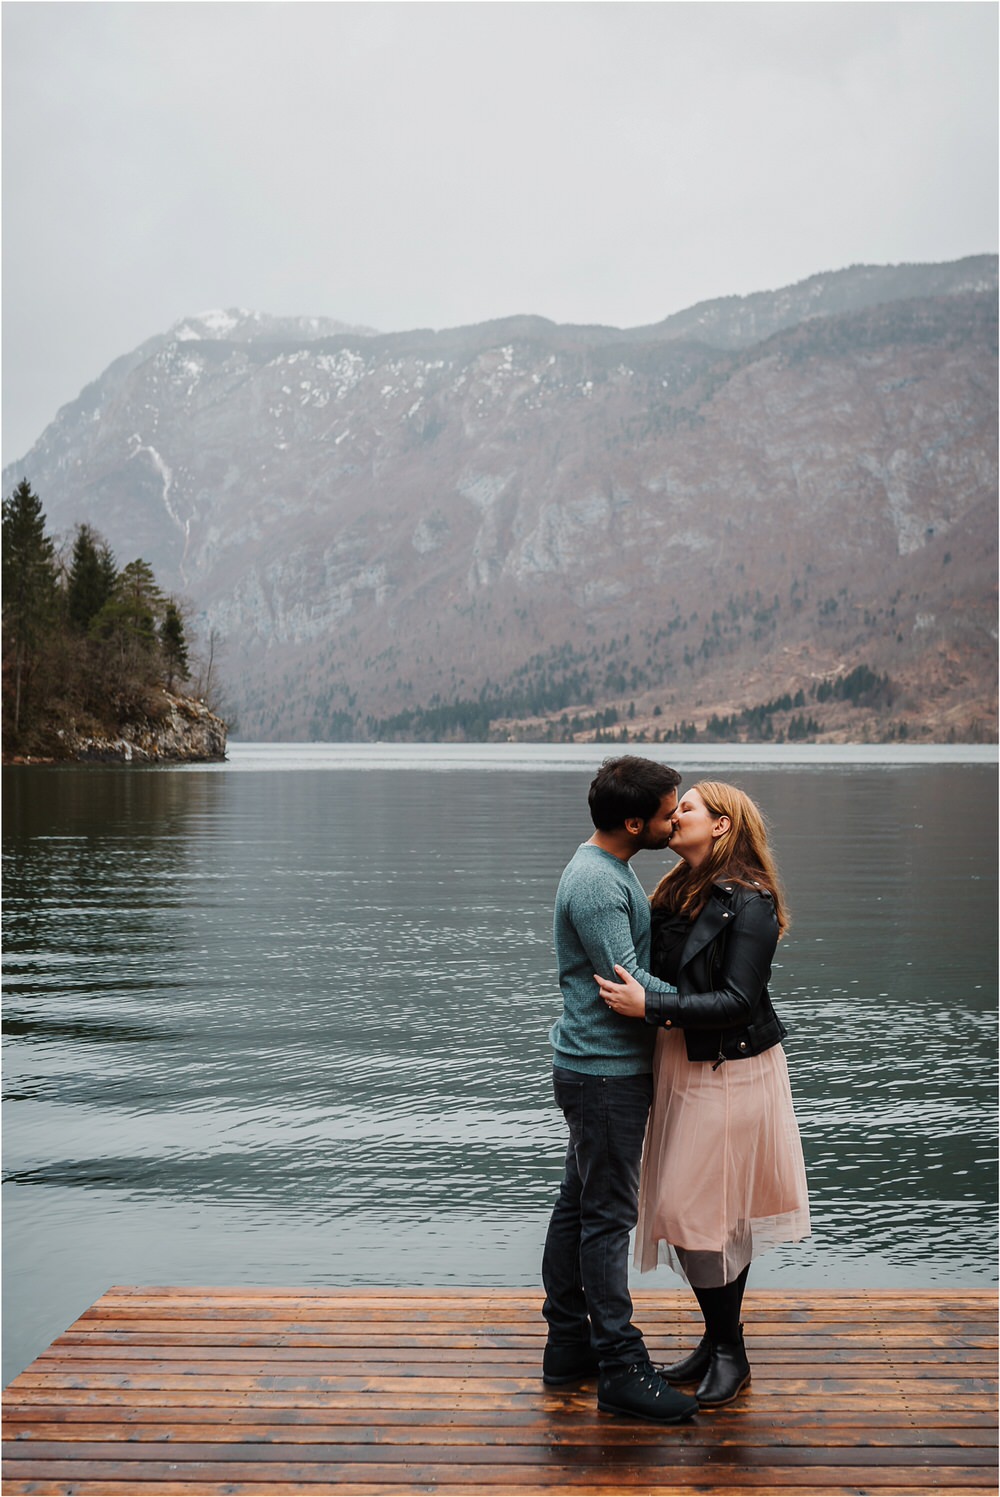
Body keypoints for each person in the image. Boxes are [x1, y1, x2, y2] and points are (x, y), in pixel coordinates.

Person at [595, 781, 810, 1410]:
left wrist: (650, 1006)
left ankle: (729, 1351)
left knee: (704, 1215)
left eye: (686, 807)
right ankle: (721, 1342)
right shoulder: (673, 891)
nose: (673, 815)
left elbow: (739, 1001)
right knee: (700, 1215)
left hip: (731, 1071)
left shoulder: (751, 903)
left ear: (720, 826)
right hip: (681, 1063)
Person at [541, 755, 699, 1424]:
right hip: (604, 1074)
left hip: (591, 1069)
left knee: (579, 1206)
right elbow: (624, 985)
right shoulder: (598, 885)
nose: (674, 819)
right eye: (668, 812)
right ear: (634, 821)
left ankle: (568, 1343)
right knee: (606, 1218)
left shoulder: (607, 868)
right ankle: (619, 1366)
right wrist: (711, 1003)